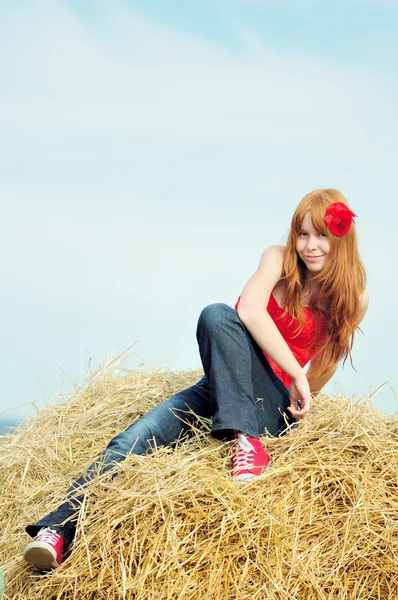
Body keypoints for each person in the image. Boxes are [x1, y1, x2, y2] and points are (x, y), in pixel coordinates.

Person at [23, 188, 369, 571]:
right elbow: (251, 312)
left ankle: (249, 441)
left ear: (342, 236)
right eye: (303, 234)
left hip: (270, 401)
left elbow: (325, 363)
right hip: (224, 382)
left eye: (322, 234)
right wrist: (296, 373)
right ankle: (56, 531)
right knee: (137, 432)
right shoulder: (277, 259)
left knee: (219, 317)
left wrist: (301, 393)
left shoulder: (354, 296)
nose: (310, 245)